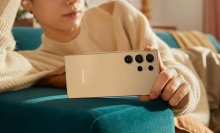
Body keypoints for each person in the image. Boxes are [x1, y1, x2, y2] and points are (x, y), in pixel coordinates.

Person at [0, 0, 204, 118]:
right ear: (25, 2)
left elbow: (173, 66)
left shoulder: (117, 12)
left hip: (203, 63)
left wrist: (182, 89)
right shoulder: (36, 62)